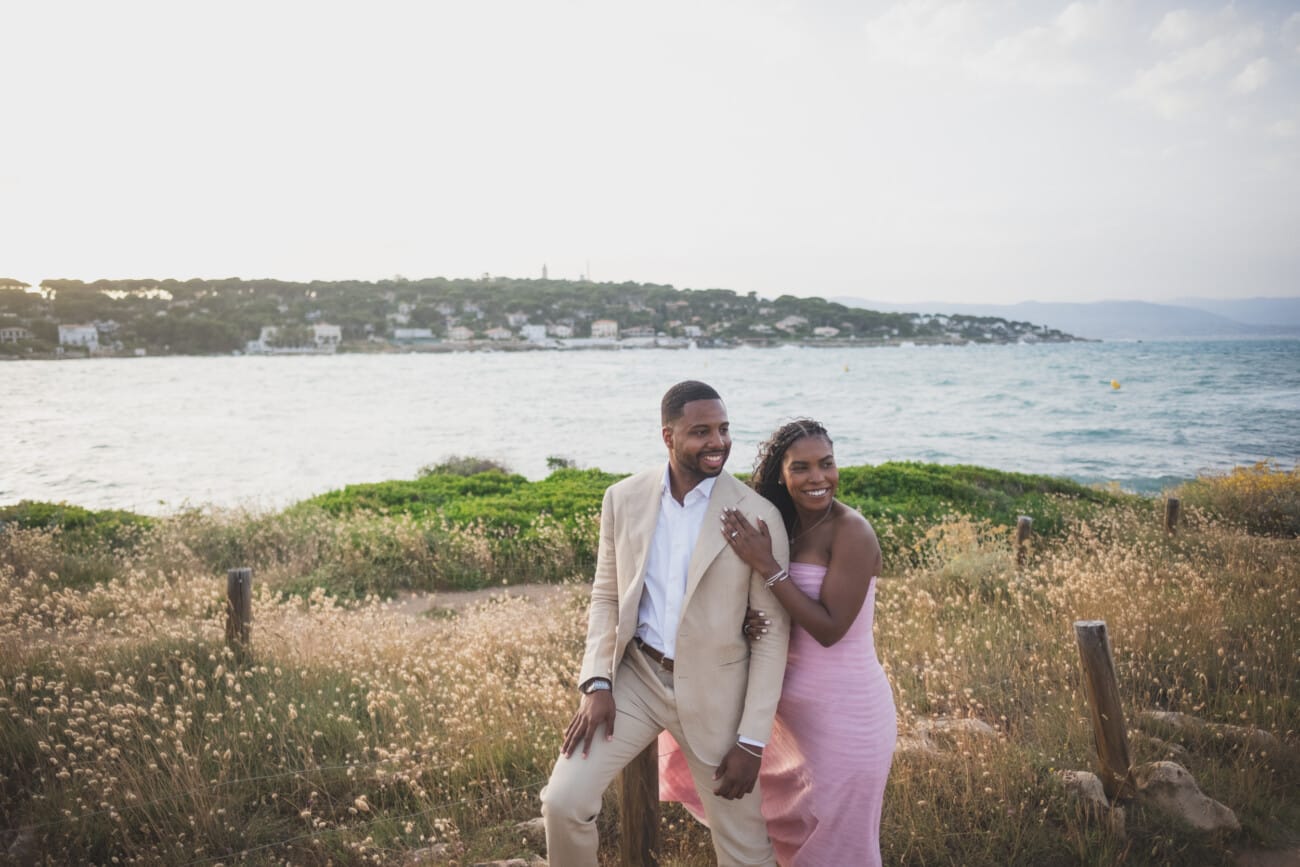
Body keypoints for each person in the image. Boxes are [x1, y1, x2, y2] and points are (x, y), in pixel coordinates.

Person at [540, 380, 793, 867]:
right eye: (701, 432)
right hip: (635, 680)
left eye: (723, 429)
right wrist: (596, 682)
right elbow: (607, 595)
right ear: (668, 436)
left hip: (718, 692)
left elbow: (771, 634)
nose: (717, 442)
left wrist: (752, 739)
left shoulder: (757, 516)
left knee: (745, 848)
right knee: (562, 803)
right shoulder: (622, 498)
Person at [658, 419, 896, 867]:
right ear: (781, 475)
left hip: (848, 718)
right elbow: (776, 606)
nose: (818, 478)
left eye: (827, 464)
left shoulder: (852, 532)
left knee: (838, 845)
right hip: (786, 718)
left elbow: (828, 628)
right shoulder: (779, 523)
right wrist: (749, 620)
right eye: (801, 468)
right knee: (786, 835)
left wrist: (768, 567)